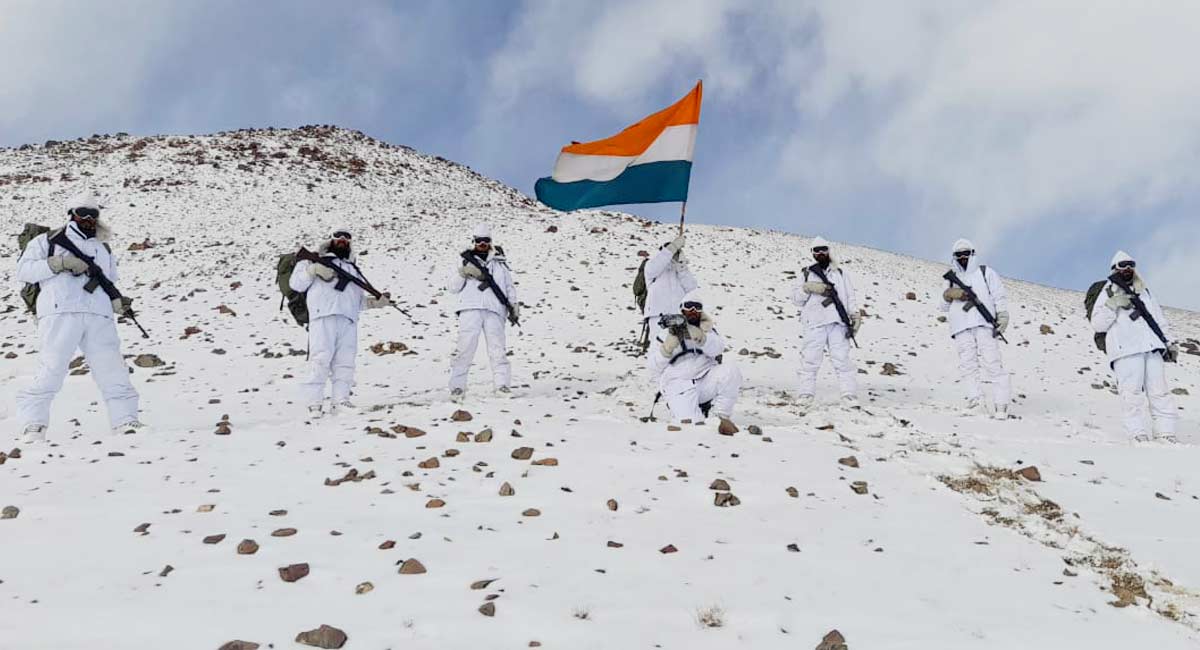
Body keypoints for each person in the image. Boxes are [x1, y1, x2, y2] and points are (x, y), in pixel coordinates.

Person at [14, 190, 144, 442]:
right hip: (59, 312)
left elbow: (108, 281)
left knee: (113, 370)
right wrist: (59, 264)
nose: (87, 218)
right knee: (51, 369)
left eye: (92, 213)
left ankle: (125, 420)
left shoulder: (102, 247)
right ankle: (33, 424)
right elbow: (24, 271)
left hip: (98, 315)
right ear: (71, 214)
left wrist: (117, 303)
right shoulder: (46, 241)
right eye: (81, 213)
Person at [289, 226, 392, 417]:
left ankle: (341, 401)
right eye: (338, 236)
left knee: (345, 362)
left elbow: (358, 301)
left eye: (346, 237)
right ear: (331, 239)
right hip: (322, 316)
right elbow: (296, 284)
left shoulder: (353, 269)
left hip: (348, 320)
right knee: (320, 359)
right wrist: (313, 270)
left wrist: (376, 303)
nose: (342, 240)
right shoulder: (311, 260)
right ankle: (314, 404)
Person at [1090, 251, 1179, 443]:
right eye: (1123, 265)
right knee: (1131, 393)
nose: (1127, 268)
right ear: (1115, 268)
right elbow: (1097, 324)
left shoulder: (1144, 291)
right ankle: (1137, 433)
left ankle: (1166, 433)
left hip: (1151, 346)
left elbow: (1157, 318)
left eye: (1131, 264)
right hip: (1125, 349)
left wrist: (1169, 342)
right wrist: (1112, 305)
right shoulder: (1107, 292)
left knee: (1160, 391)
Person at [940, 239, 1012, 419]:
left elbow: (999, 296)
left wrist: (1002, 315)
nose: (963, 257)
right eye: (959, 254)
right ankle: (976, 401)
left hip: (983, 323)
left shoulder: (986, 273)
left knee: (993, 363)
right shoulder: (950, 279)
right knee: (968, 366)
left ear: (972, 253)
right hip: (961, 326)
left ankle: (1001, 404)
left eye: (966, 253)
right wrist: (950, 294)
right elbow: (942, 305)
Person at [447, 224, 518, 402]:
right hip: (470, 308)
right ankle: (457, 387)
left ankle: (502, 385)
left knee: (498, 350)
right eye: (479, 240)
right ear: (474, 241)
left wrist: (513, 305)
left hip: (495, 309)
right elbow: (453, 288)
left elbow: (508, 285)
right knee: (464, 349)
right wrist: (462, 273)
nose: (482, 244)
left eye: (486, 240)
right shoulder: (464, 260)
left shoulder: (500, 262)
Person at [791, 236, 862, 411]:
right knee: (810, 360)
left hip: (838, 322)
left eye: (823, 249)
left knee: (842, 360)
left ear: (829, 250)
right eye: (817, 250)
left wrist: (855, 316)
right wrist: (807, 288)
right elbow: (796, 300)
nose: (820, 253)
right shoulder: (806, 273)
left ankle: (849, 395)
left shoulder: (841, 274)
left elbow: (849, 297)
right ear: (812, 253)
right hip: (814, 322)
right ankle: (805, 394)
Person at [657, 292, 742, 434]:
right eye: (689, 307)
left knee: (731, 371)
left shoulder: (709, 331)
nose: (692, 311)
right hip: (677, 384)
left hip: (705, 379)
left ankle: (721, 418)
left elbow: (718, 348)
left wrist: (702, 338)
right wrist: (667, 349)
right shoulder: (664, 334)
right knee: (690, 426)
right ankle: (687, 412)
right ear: (681, 309)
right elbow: (653, 367)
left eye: (697, 307)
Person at [643, 232, 697, 381]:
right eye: (668, 250)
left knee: (678, 346)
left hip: (678, 317)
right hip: (657, 314)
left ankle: (677, 376)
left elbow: (692, 289)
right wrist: (672, 247)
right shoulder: (652, 267)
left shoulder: (679, 271)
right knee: (658, 346)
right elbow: (654, 267)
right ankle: (656, 376)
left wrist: (682, 267)